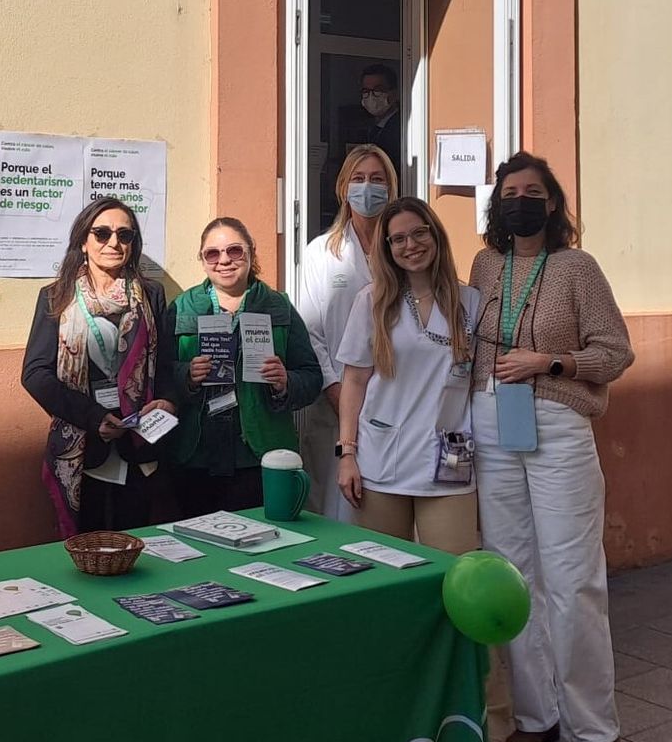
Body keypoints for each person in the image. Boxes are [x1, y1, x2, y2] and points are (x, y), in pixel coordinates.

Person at [469, 151, 635, 742]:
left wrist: (550, 363)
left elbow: (616, 351)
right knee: (514, 573)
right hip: (491, 420)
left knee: (572, 579)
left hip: (558, 422)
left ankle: (596, 729)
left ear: (552, 202)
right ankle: (536, 716)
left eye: (532, 191)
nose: (520, 201)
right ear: (498, 204)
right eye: (510, 191)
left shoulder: (577, 268)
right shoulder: (486, 265)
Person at [334, 196, 513, 742]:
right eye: (396, 239)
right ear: (384, 250)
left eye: (418, 234)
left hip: (448, 469)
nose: (409, 245)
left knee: (467, 598)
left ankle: (490, 723)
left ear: (435, 235)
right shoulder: (372, 304)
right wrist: (347, 455)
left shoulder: (471, 303)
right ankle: (400, 716)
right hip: (382, 465)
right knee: (391, 597)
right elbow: (353, 386)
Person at [22, 198, 175, 537]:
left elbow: (166, 363)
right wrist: (92, 417)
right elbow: (35, 374)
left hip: (139, 444)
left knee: (136, 545)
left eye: (124, 234)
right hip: (86, 445)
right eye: (102, 233)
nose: (113, 243)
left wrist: (166, 400)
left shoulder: (150, 295)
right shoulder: (57, 296)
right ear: (83, 241)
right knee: (88, 546)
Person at [164, 217, 323, 514]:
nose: (224, 260)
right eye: (213, 253)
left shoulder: (278, 307)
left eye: (234, 251)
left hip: (260, 455)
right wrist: (187, 375)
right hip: (195, 454)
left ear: (251, 252)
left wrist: (285, 382)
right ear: (203, 260)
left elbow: (312, 377)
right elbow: (158, 374)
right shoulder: (182, 308)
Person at [297, 143, 398, 521]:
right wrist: (335, 390)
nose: (367, 187)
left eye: (377, 179)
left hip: (394, 398)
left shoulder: (403, 250)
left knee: (385, 509)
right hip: (334, 397)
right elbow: (310, 330)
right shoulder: (321, 253)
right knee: (335, 505)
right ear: (343, 188)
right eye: (358, 179)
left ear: (391, 187)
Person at [359, 63, 403, 175]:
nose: (371, 96)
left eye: (378, 90)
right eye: (366, 91)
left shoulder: (401, 128)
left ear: (394, 93)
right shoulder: (372, 127)